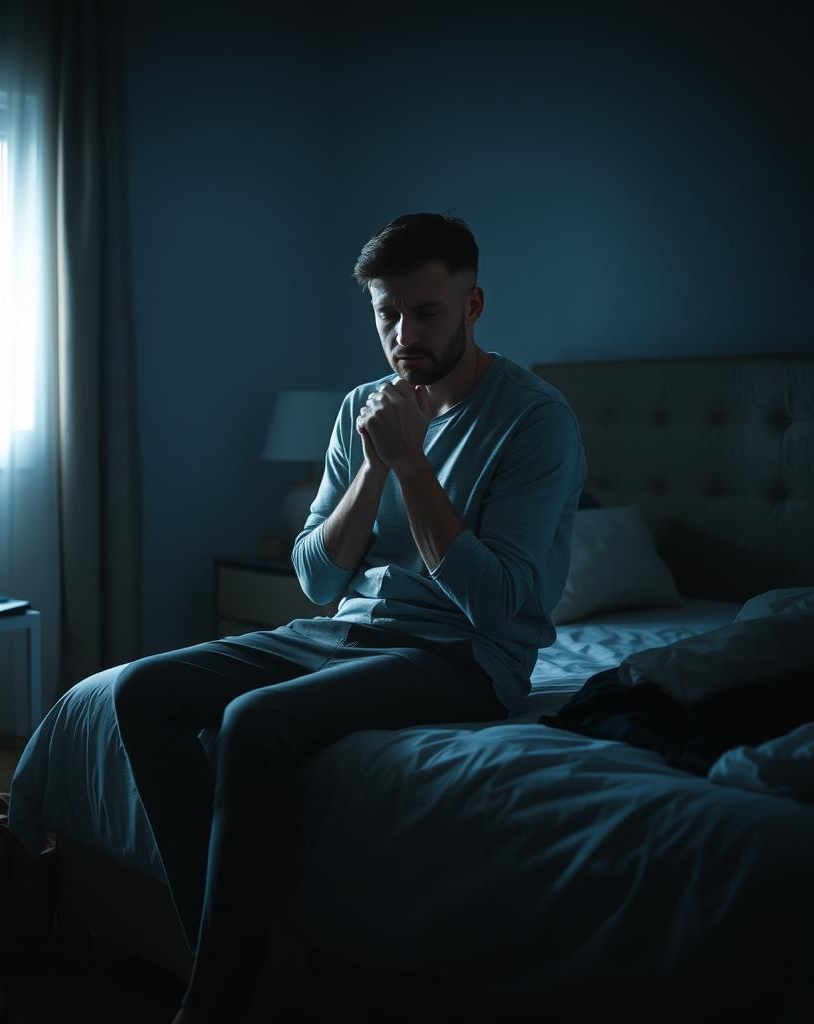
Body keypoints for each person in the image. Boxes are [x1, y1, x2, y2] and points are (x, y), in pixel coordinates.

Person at [113, 212, 587, 1023]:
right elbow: (315, 579)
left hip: (465, 659)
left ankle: (214, 999)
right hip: (345, 634)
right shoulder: (362, 407)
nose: (403, 334)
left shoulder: (535, 420)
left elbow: (496, 601)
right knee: (142, 692)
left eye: (426, 312)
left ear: (474, 304)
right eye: (385, 314)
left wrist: (412, 466)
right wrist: (373, 464)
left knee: (252, 725)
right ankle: (229, 956)